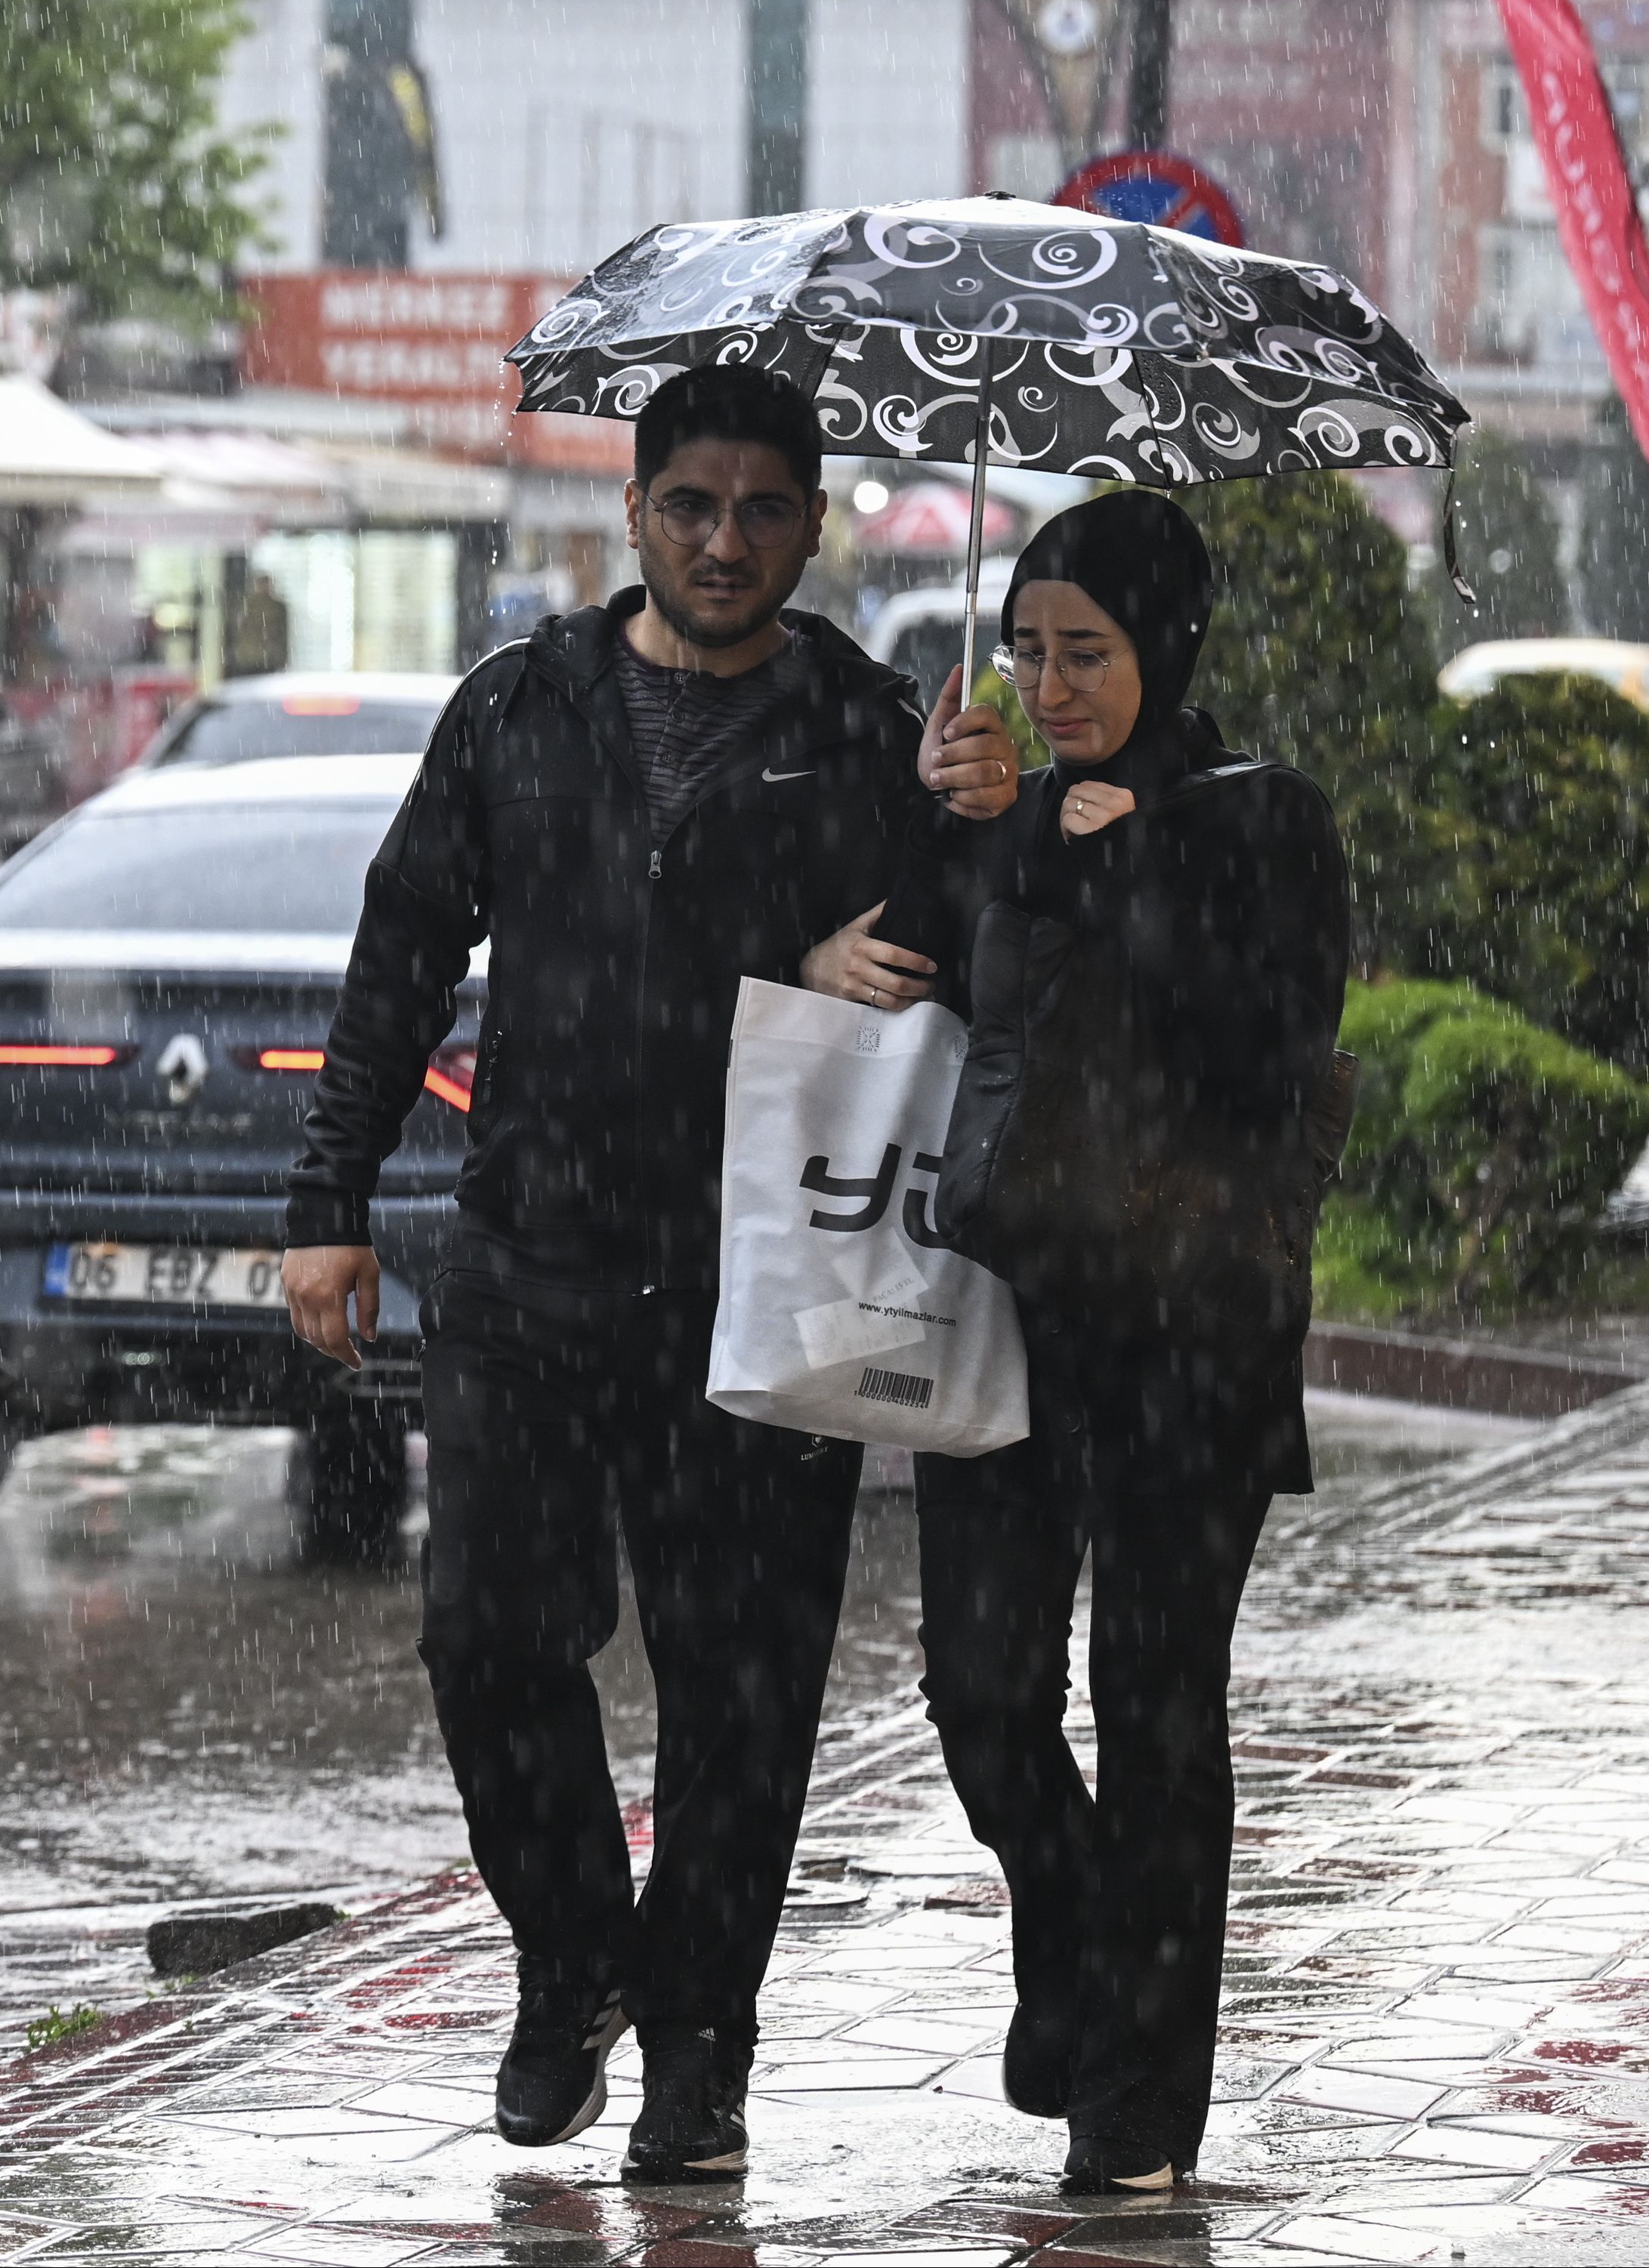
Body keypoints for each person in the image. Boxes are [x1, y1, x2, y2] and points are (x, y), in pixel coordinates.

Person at [280, 363, 1019, 2183]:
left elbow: (958, 977)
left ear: (812, 527)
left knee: (741, 1688)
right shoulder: (519, 708)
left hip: (759, 1271)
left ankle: (698, 2051)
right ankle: (571, 1962)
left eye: (762, 511)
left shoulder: (868, 727)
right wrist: (326, 1196)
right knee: (484, 1637)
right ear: (632, 513)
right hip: (528, 1259)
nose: (723, 541)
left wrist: (974, 822)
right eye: (690, 505)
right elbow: (401, 952)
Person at [899, 490, 1348, 2196]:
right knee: (979, 1692)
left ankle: (1140, 2099)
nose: (1048, 684)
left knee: (1155, 1705)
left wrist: (1109, 858)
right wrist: (943, 838)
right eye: (1026, 649)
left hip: (1191, 1334)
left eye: (1084, 651)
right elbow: (930, 997)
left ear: (1165, 647)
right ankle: (1079, 1931)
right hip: (1009, 1322)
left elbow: (1258, 1047)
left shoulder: (1260, 816)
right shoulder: (1004, 810)